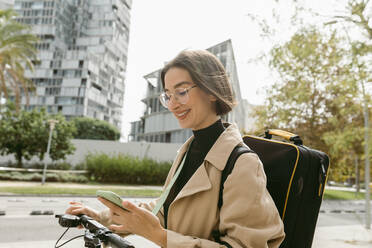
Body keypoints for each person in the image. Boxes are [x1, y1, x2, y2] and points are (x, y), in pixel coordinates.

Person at [66, 50, 285, 248]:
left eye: (181, 92)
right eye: (168, 95)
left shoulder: (242, 163)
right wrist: (101, 216)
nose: (172, 104)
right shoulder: (187, 152)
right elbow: (163, 208)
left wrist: (160, 237)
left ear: (211, 91)